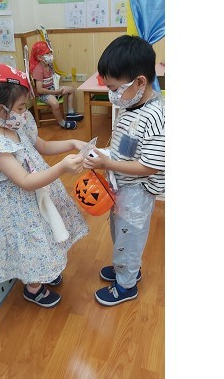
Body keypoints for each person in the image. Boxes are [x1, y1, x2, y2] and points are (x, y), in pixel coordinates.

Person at [0, 63, 89, 308]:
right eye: (20, 107)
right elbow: (25, 181)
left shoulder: (15, 123)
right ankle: (34, 288)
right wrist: (62, 167)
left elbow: (43, 146)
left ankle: (45, 270)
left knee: (47, 232)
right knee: (32, 243)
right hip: (17, 208)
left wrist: (71, 142)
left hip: (35, 196)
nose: (24, 112)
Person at [83, 35, 165, 306]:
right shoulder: (131, 106)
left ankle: (126, 285)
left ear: (140, 82)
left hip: (137, 193)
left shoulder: (155, 116)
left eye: (115, 88)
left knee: (129, 238)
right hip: (122, 187)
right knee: (120, 233)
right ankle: (127, 268)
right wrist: (104, 155)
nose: (112, 95)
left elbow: (149, 166)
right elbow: (126, 150)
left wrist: (106, 163)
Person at [29, 41, 83, 130]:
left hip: (53, 89)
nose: (50, 55)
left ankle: (70, 113)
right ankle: (62, 123)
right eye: (47, 53)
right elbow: (39, 90)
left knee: (71, 89)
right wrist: (55, 92)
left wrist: (56, 89)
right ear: (39, 57)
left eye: (50, 52)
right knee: (55, 103)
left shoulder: (49, 65)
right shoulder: (38, 70)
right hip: (44, 94)